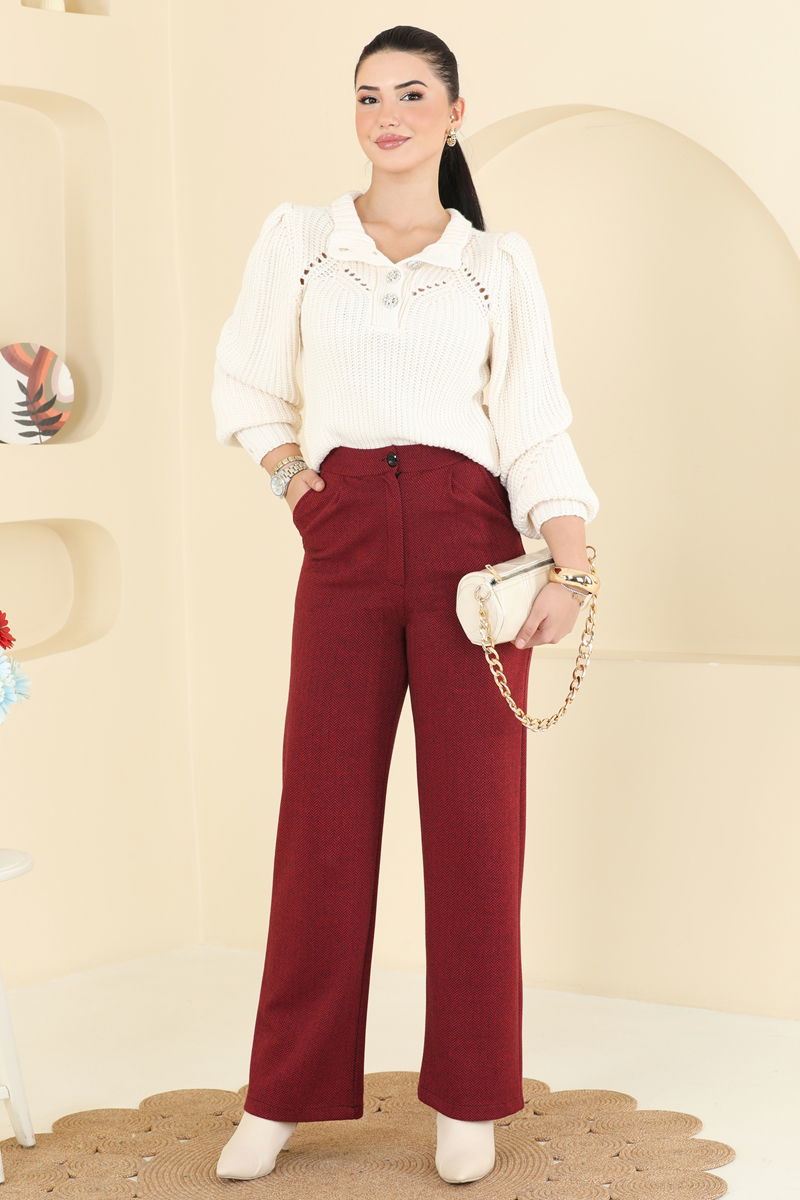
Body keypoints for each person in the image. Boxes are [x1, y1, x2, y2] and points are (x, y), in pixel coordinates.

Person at [210, 23, 600, 1186]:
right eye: (370, 95)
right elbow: (245, 384)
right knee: (319, 829)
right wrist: (298, 489)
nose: (388, 114)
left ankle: (470, 1098)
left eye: (412, 94)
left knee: (478, 832)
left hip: (468, 550)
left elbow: (534, 423)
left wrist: (570, 565)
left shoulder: (494, 264)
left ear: (453, 113)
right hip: (340, 542)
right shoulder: (299, 243)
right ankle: (279, 1095)